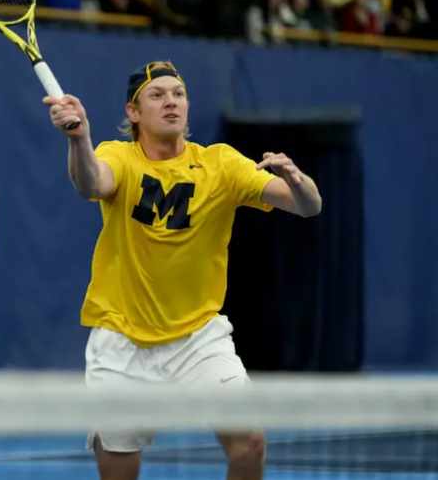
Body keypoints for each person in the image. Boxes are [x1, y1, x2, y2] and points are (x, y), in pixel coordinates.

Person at [44, 61, 323, 480]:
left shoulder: (221, 165)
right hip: (121, 342)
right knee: (119, 471)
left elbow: (309, 206)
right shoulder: (118, 156)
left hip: (198, 338)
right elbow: (92, 183)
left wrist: (298, 179)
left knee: (250, 443)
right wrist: (79, 140)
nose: (171, 101)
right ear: (134, 113)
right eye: (157, 95)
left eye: (178, 93)